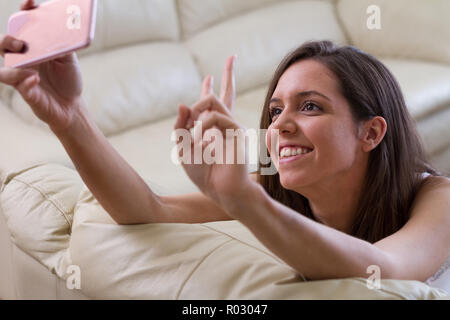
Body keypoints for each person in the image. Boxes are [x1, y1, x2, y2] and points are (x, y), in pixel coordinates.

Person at [1, 0, 449, 291]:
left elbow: (381, 270)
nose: (281, 126)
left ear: (371, 132)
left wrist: (243, 200)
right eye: (274, 112)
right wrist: (70, 115)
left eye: (310, 107)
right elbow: (147, 209)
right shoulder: (279, 192)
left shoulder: (437, 198)